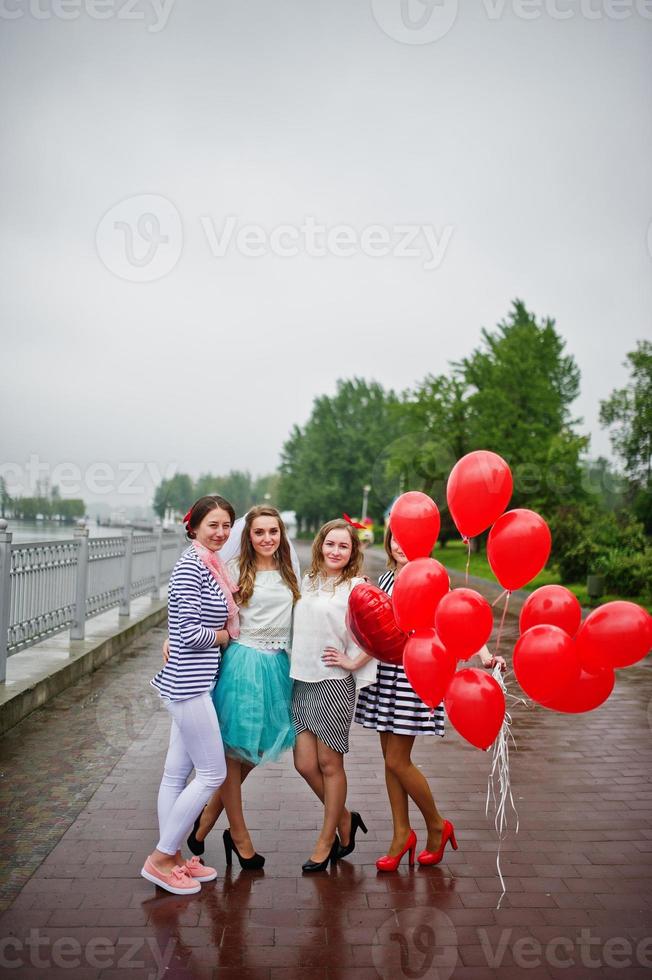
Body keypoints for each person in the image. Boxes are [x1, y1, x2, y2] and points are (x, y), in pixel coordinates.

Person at [354, 525, 506, 871]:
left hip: (417, 675)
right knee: (389, 763)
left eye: (408, 538)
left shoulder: (431, 580)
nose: (400, 545)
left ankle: (437, 824)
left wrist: (482, 655)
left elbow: (459, 616)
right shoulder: (385, 581)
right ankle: (401, 835)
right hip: (385, 678)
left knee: (397, 761)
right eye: (395, 537)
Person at [186, 506, 301, 869]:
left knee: (255, 749)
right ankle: (239, 835)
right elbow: (203, 611)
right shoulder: (234, 571)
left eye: (273, 532)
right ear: (248, 537)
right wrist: (173, 637)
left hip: (277, 667)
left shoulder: (289, 574)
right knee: (234, 755)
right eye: (259, 532)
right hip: (243, 665)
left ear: (281, 535)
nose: (267, 538)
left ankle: (205, 822)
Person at [141, 495, 238, 895]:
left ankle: (175, 857)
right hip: (188, 685)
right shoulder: (189, 567)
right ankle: (161, 859)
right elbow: (190, 633)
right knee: (212, 773)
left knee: (176, 773)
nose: (220, 532)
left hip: (193, 680)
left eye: (226, 525)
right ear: (194, 527)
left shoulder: (208, 564)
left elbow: (184, 627)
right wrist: (225, 636)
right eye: (212, 525)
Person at [290, 518, 377, 872]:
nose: (336, 551)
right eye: (330, 544)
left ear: (353, 551)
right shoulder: (306, 582)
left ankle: (326, 840)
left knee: (329, 764)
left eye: (344, 545)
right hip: (300, 680)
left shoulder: (358, 588)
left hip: (334, 682)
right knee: (304, 764)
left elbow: (383, 632)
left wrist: (354, 660)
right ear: (320, 546)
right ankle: (344, 818)